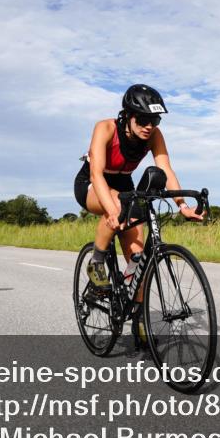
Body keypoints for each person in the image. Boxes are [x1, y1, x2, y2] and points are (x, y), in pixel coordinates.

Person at [73, 84, 205, 338]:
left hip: (125, 186)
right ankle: (97, 262)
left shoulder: (154, 135)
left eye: (154, 120)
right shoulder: (106, 128)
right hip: (91, 184)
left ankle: (139, 317)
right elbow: (97, 174)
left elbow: (166, 169)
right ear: (128, 115)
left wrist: (182, 206)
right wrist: (112, 211)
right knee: (117, 206)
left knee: (139, 260)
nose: (149, 126)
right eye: (143, 120)